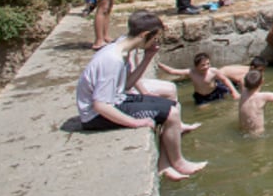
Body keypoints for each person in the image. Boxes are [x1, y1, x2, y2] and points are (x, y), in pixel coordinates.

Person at [75, 11, 206, 181]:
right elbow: (100, 105)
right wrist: (136, 122)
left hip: (117, 100)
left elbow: (127, 85)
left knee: (173, 106)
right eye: (154, 38)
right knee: (171, 114)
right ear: (144, 35)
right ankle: (179, 162)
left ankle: (164, 165)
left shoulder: (121, 49)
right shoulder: (112, 60)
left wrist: (148, 57)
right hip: (95, 116)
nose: (155, 42)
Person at [157, 52, 241, 105]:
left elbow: (225, 80)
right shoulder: (191, 72)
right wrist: (159, 65)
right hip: (201, 96)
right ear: (196, 66)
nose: (206, 67)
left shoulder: (213, 71)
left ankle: (238, 86)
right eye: (203, 65)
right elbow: (173, 71)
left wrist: (235, 92)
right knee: (203, 109)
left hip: (215, 91)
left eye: (208, 64)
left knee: (229, 100)